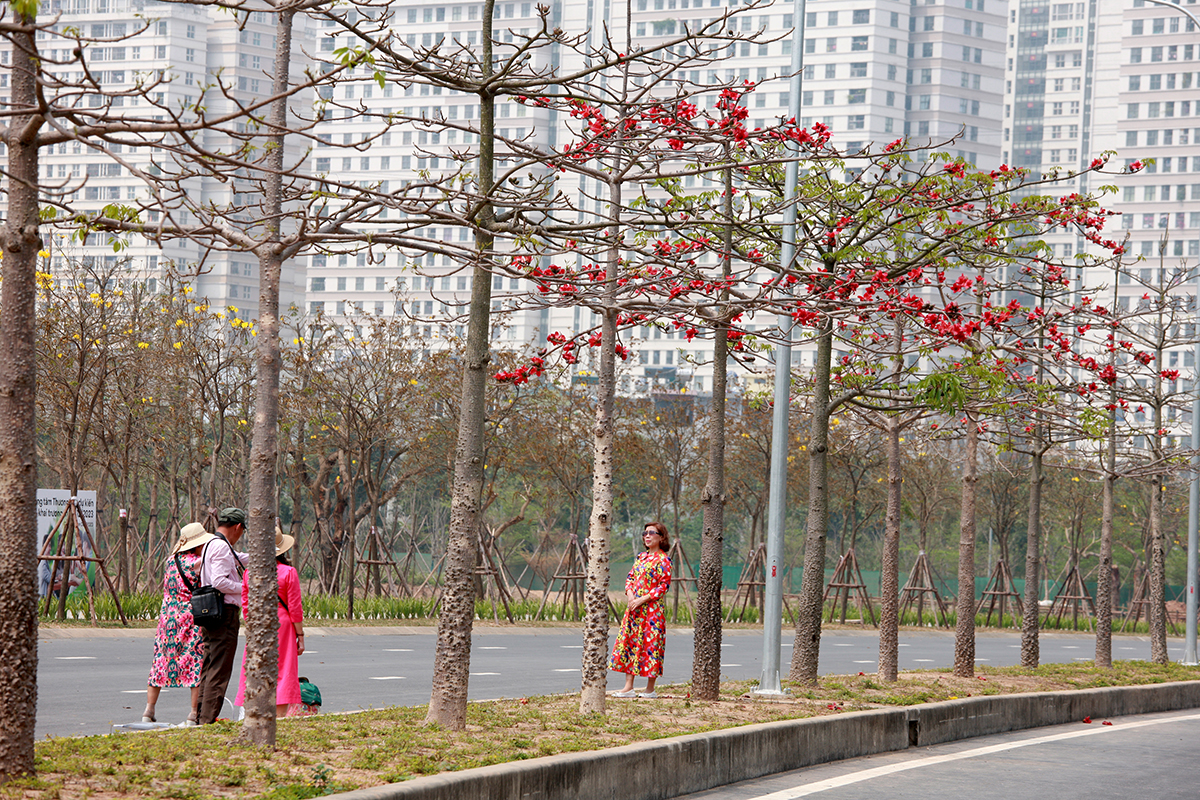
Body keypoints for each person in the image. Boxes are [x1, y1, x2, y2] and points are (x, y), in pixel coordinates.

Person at [144, 522, 212, 725]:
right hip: (190, 617)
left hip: (167, 618)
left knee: (160, 662)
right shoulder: (198, 562)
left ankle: (148, 711)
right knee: (194, 661)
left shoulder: (170, 560)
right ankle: (193, 713)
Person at [234, 525, 305, 718]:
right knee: (282, 669)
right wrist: (300, 635)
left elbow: (246, 606)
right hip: (281, 625)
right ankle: (279, 718)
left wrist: (252, 628)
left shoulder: (250, 573)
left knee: (256, 668)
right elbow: (295, 609)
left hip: (257, 625)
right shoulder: (289, 572)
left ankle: (253, 714)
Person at [609, 521, 672, 699]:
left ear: (661, 537)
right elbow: (630, 578)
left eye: (652, 532)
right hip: (634, 609)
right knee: (631, 644)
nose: (647, 536)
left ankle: (650, 689)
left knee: (651, 646)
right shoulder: (641, 557)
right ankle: (628, 687)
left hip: (651, 611)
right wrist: (630, 596)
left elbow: (663, 587)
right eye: (645, 533)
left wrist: (642, 600)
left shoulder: (664, 560)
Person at [196, 507, 247, 724]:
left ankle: (200, 717)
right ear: (237, 527)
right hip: (223, 613)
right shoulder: (222, 547)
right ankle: (207, 721)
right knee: (219, 669)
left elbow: (238, 559)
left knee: (209, 667)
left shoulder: (210, 544)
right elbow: (219, 581)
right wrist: (245, 587)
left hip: (210, 613)